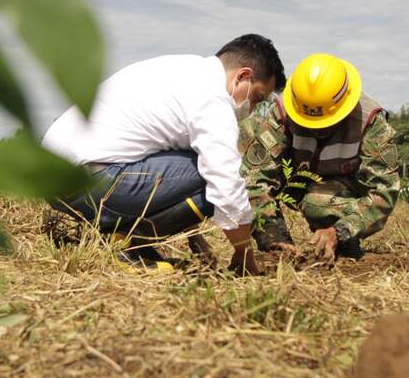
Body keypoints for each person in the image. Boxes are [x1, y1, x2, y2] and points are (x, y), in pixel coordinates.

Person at [42, 34, 286, 274]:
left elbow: (174, 186)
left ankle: (127, 239)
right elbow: (224, 184)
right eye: (256, 98)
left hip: (52, 179)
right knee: (214, 172)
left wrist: (197, 242)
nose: (252, 108)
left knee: (200, 163)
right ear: (243, 76)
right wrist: (245, 256)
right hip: (91, 181)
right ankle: (131, 246)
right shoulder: (213, 99)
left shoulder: (182, 69)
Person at [239, 53, 400, 262]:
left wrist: (340, 232)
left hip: (343, 189)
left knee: (318, 202)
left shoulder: (370, 123)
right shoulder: (281, 114)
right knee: (240, 163)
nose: (316, 130)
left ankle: (343, 244)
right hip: (294, 176)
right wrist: (273, 236)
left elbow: (383, 194)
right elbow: (254, 177)